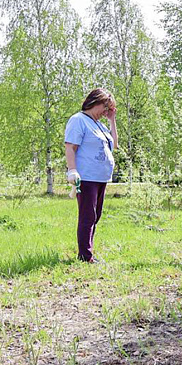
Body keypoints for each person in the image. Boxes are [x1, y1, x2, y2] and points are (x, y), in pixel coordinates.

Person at [64, 88, 118, 263]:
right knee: (88, 216)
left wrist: (112, 120)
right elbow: (70, 147)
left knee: (96, 215)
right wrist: (72, 170)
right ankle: (85, 256)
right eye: (105, 106)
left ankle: (88, 252)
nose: (106, 111)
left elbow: (114, 144)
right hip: (86, 177)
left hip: (100, 177)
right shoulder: (78, 120)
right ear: (95, 102)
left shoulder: (99, 124)